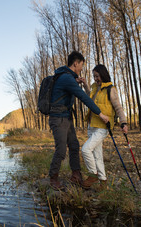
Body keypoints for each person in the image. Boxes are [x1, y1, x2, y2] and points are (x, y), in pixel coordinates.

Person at [48, 51, 109, 190]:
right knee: (61, 149)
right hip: (58, 119)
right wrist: (100, 113)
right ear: (75, 63)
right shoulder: (66, 78)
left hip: (66, 118)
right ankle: (53, 178)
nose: (81, 68)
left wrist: (75, 82)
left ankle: (76, 175)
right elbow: (84, 98)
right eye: (81, 65)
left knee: (74, 146)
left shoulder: (67, 77)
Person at [80, 64, 128, 190]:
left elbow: (118, 107)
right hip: (92, 125)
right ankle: (103, 182)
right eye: (94, 76)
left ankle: (93, 174)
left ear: (103, 74)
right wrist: (85, 84)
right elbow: (91, 98)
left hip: (102, 127)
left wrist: (123, 122)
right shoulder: (95, 88)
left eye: (97, 76)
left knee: (85, 149)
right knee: (97, 155)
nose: (96, 79)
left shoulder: (110, 89)